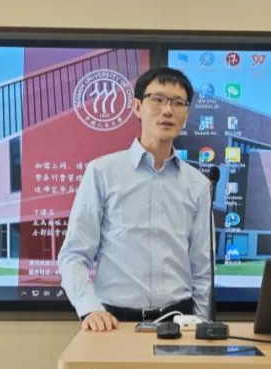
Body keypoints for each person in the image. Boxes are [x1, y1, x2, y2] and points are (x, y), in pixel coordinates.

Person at [58, 67, 212, 332]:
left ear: (186, 114)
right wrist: (90, 309)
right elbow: (74, 255)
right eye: (158, 99)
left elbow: (202, 267)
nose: (168, 110)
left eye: (178, 103)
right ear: (137, 107)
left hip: (179, 322)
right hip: (113, 322)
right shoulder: (102, 172)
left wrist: (200, 321)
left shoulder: (197, 184)